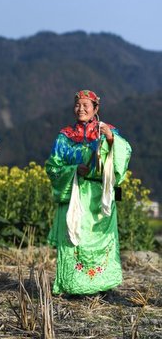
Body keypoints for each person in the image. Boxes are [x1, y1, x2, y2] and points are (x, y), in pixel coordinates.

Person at [46, 90, 131, 296]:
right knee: (74, 239)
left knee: (102, 241)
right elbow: (53, 166)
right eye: (77, 105)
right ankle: (74, 287)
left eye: (86, 105)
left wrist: (111, 140)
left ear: (96, 109)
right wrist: (74, 170)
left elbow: (125, 152)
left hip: (99, 195)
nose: (81, 109)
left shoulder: (108, 131)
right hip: (75, 192)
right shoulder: (64, 136)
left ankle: (102, 287)